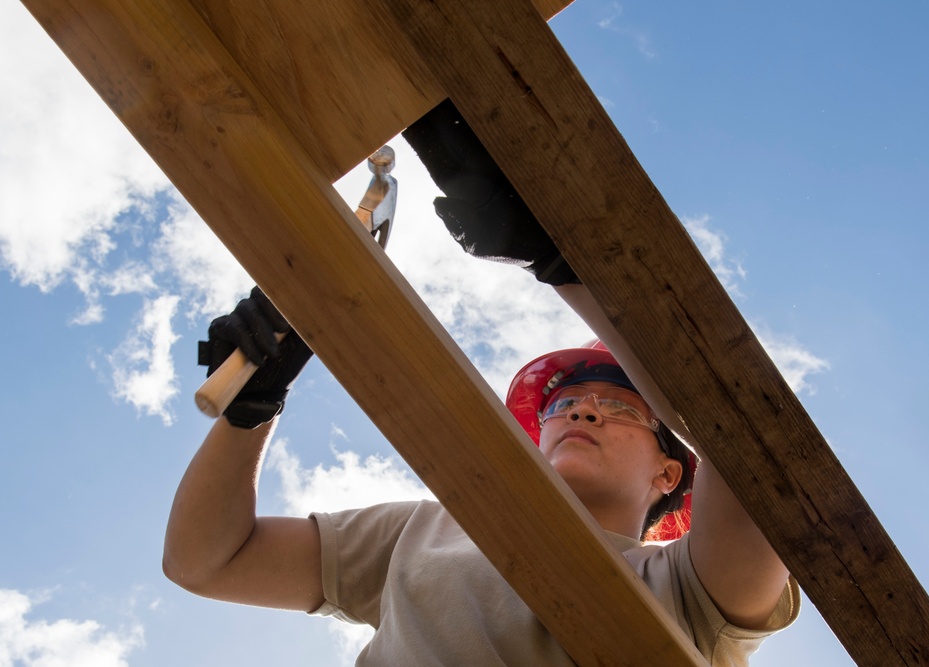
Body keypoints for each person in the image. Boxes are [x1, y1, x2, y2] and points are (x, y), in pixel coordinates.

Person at [163, 102, 799, 664]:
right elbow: (207, 560)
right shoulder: (429, 532)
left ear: (669, 472)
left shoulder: (691, 588)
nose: (582, 413)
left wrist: (556, 261)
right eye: (566, 403)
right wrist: (249, 411)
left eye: (616, 406)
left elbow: (748, 448)